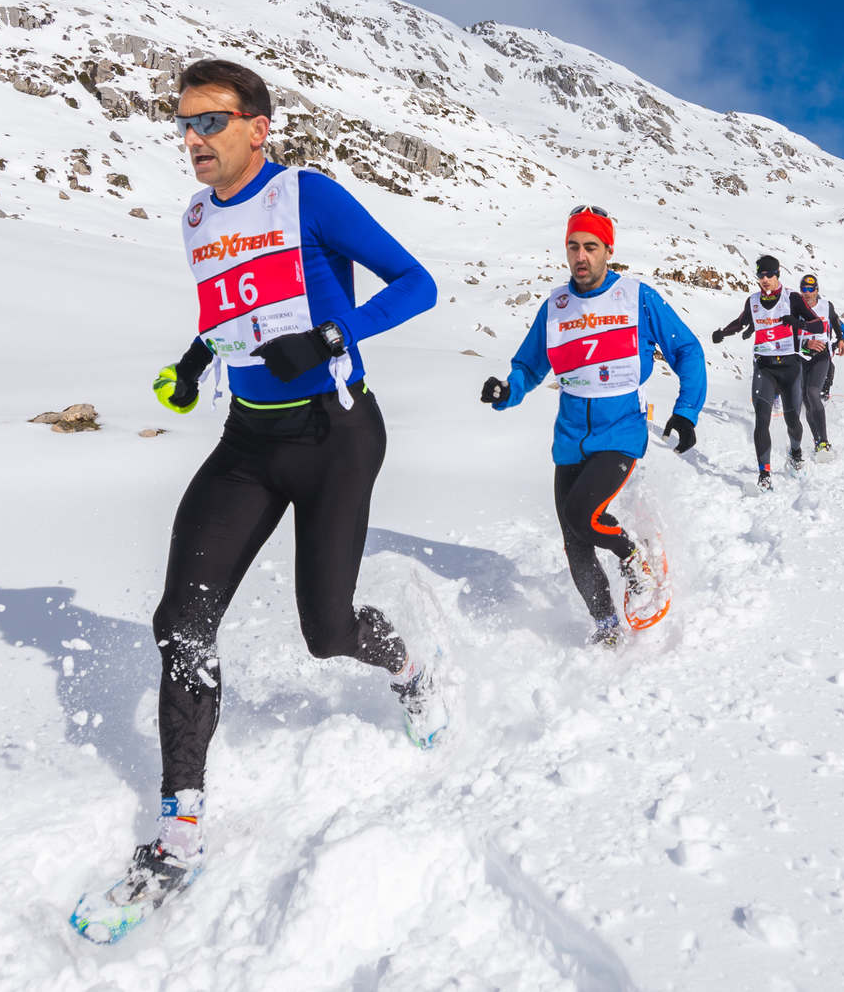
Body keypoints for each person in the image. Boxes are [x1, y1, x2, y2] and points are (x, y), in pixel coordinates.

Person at [72, 60, 441, 944]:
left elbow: (415, 285)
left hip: (334, 435)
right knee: (181, 623)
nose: (191, 139)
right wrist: (195, 364)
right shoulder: (198, 217)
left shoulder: (306, 198)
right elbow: (226, 309)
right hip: (246, 441)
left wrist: (325, 335)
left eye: (208, 122)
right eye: (182, 124)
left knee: (325, 630)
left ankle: (409, 666)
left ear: (257, 127)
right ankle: (180, 829)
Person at [482, 205, 705, 646]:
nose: (580, 256)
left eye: (590, 246)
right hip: (569, 440)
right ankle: (605, 624)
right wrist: (507, 391)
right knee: (575, 539)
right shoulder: (556, 307)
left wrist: (687, 410)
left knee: (583, 514)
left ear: (608, 250)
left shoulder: (637, 298)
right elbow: (529, 365)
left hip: (620, 432)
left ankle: (631, 556)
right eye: (572, 246)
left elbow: (688, 350)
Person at [712, 255, 826, 489]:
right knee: (761, 420)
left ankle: (795, 454)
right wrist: (723, 333)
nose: (764, 280)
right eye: (760, 275)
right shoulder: (753, 301)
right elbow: (741, 322)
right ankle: (764, 474)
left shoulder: (792, 298)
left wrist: (799, 323)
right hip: (764, 367)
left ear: (777, 275)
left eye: (769, 275)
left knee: (792, 420)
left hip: (790, 368)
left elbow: (818, 325)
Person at [797, 273, 844, 454]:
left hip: (821, 356)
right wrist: (805, 344)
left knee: (812, 393)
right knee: (805, 398)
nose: (807, 293)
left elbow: (836, 323)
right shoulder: (794, 307)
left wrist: (841, 340)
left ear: (817, 290)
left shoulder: (826, 306)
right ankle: (817, 440)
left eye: (811, 289)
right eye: (804, 289)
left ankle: (824, 442)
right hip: (802, 355)